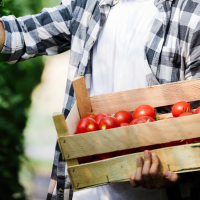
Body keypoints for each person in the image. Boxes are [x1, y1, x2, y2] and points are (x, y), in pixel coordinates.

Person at [1, 0, 200, 199]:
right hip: (86, 190)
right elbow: (19, 35)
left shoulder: (191, 15)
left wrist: (178, 172)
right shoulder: (88, 4)